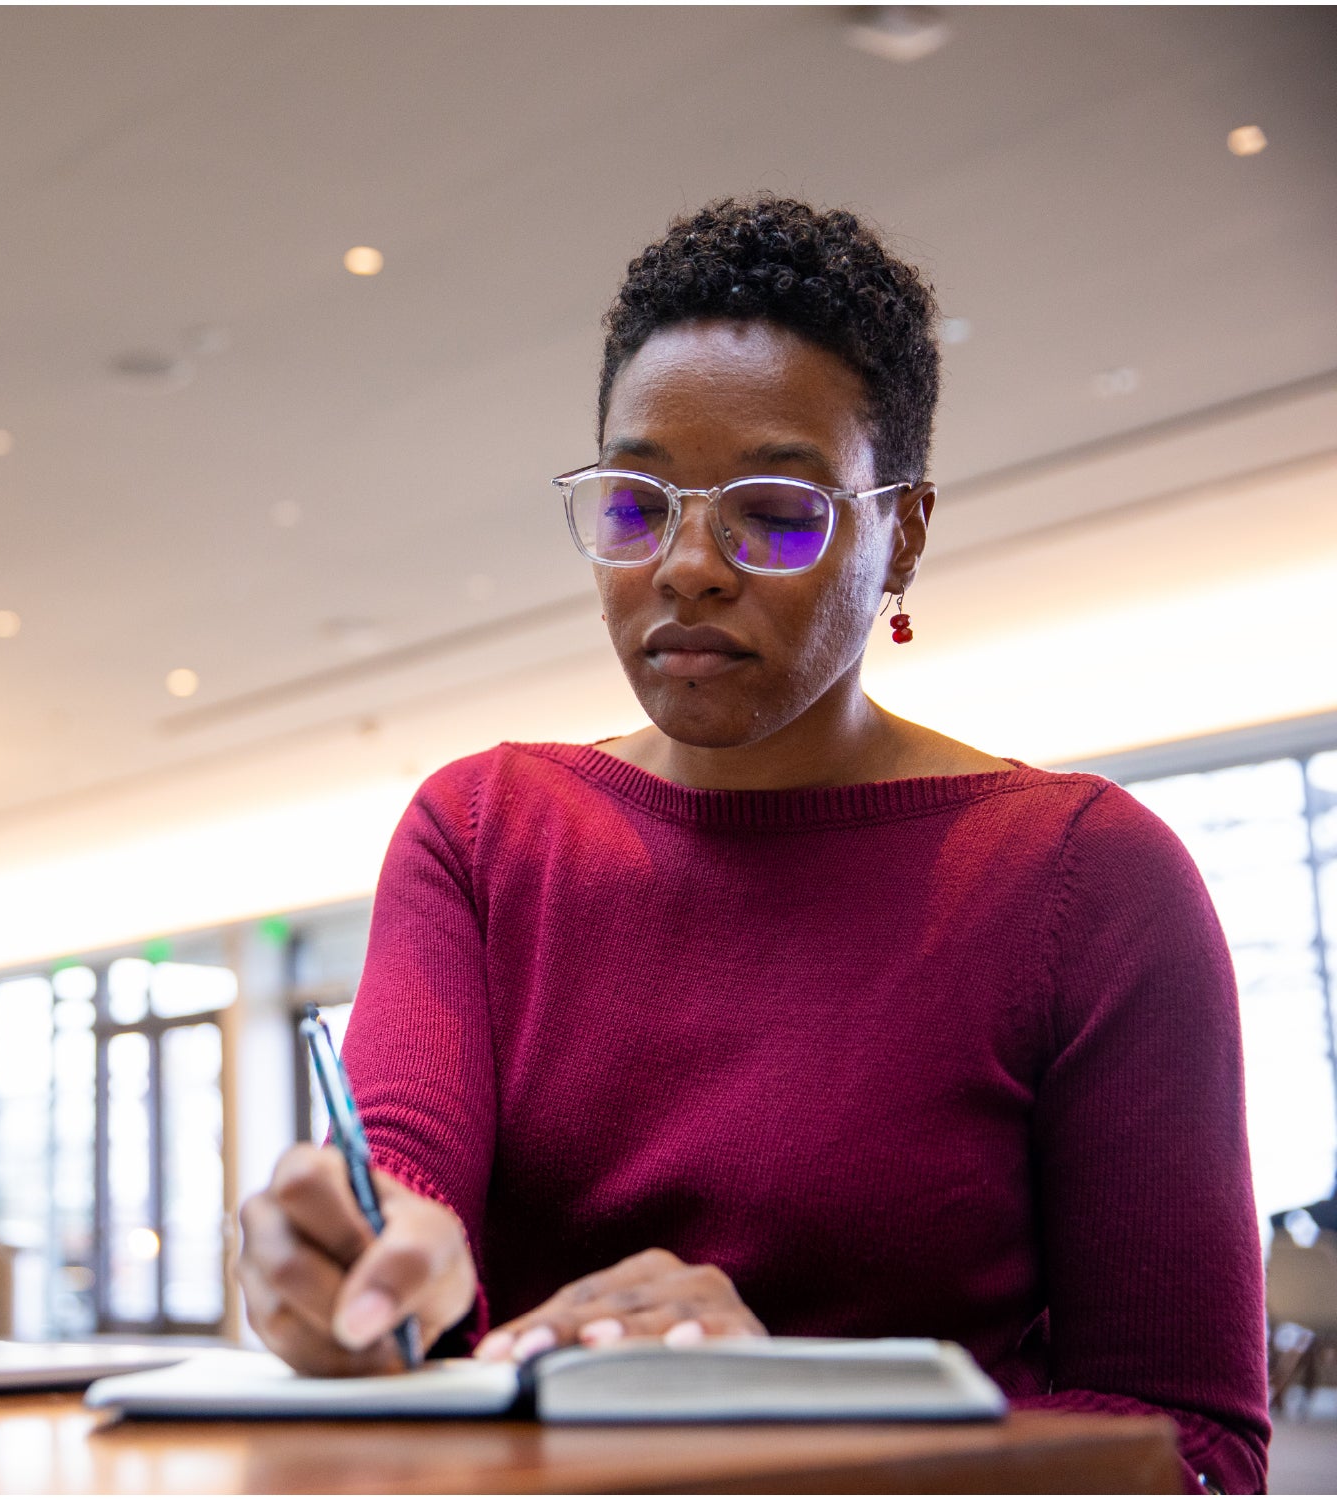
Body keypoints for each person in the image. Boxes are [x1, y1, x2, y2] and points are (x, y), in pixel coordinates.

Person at [235, 196, 1269, 1492]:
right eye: (635, 504)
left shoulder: (1087, 880)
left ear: (905, 532)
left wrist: (789, 1412)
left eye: (774, 513)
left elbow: (1199, 1456)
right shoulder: (485, 834)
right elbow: (406, 1173)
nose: (687, 565)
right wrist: (356, 1256)